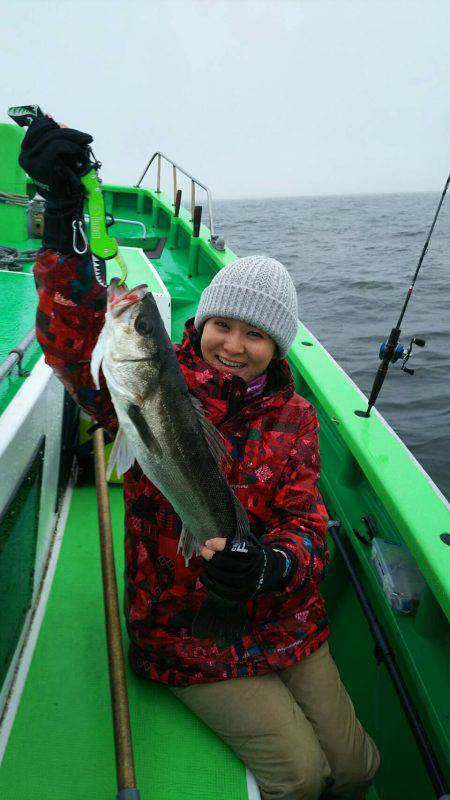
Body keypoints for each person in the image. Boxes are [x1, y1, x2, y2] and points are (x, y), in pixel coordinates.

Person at [20, 117, 380, 800]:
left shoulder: (295, 417)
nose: (234, 345)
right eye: (221, 324)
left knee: (358, 767)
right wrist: (63, 217)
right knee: (302, 777)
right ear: (198, 323)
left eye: (256, 334)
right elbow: (71, 334)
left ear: (279, 349)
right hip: (182, 624)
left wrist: (273, 564)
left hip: (284, 614)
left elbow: (306, 526)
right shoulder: (142, 384)